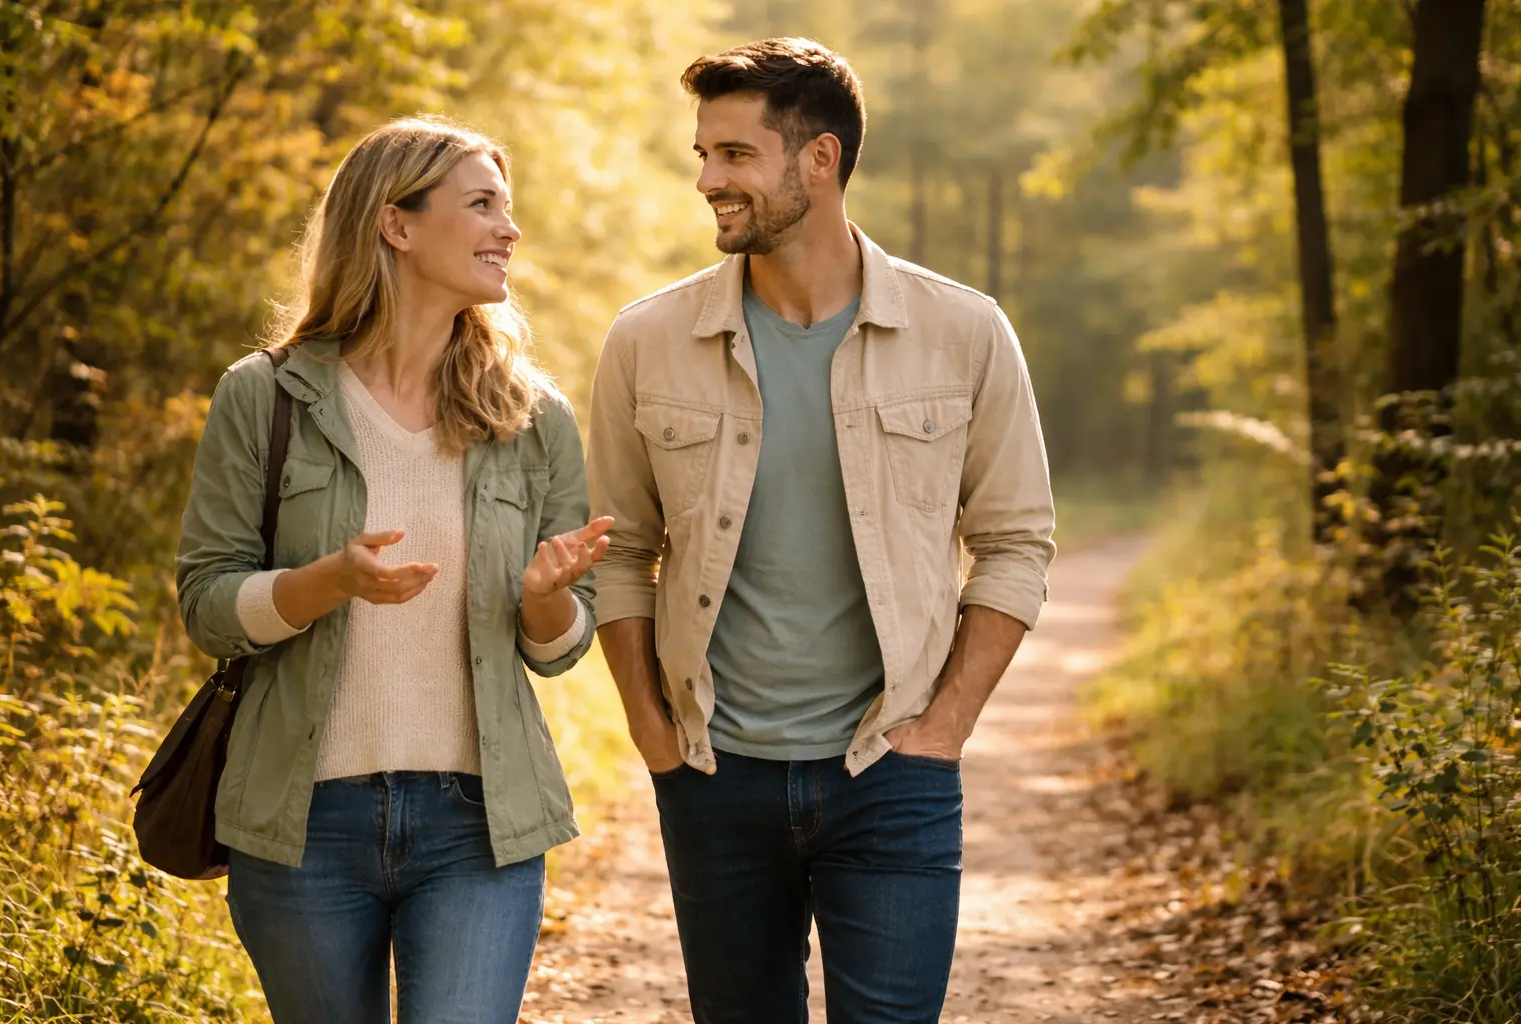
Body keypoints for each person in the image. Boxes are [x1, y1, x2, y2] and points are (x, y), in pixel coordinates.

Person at [586, 38, 1056, 1023]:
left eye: (735, 154)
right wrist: (651, 732)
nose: (708, 180)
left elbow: (1015, 541)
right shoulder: (648, 341)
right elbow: (621, 551)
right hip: (714, 774)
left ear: (821, 159)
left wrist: (945, 727)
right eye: (704, 155)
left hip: (892, 770)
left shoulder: (964, 332)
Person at [175, 115, 609, 1024]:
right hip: (302, 824)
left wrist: (544, 602)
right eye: (482, 204)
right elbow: (208, 604)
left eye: (507, 207)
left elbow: (563, 644)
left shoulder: (534, 418)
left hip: (478, 825)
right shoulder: (264, 395)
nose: (509, 229)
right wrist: (326, 582)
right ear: (395, 224)